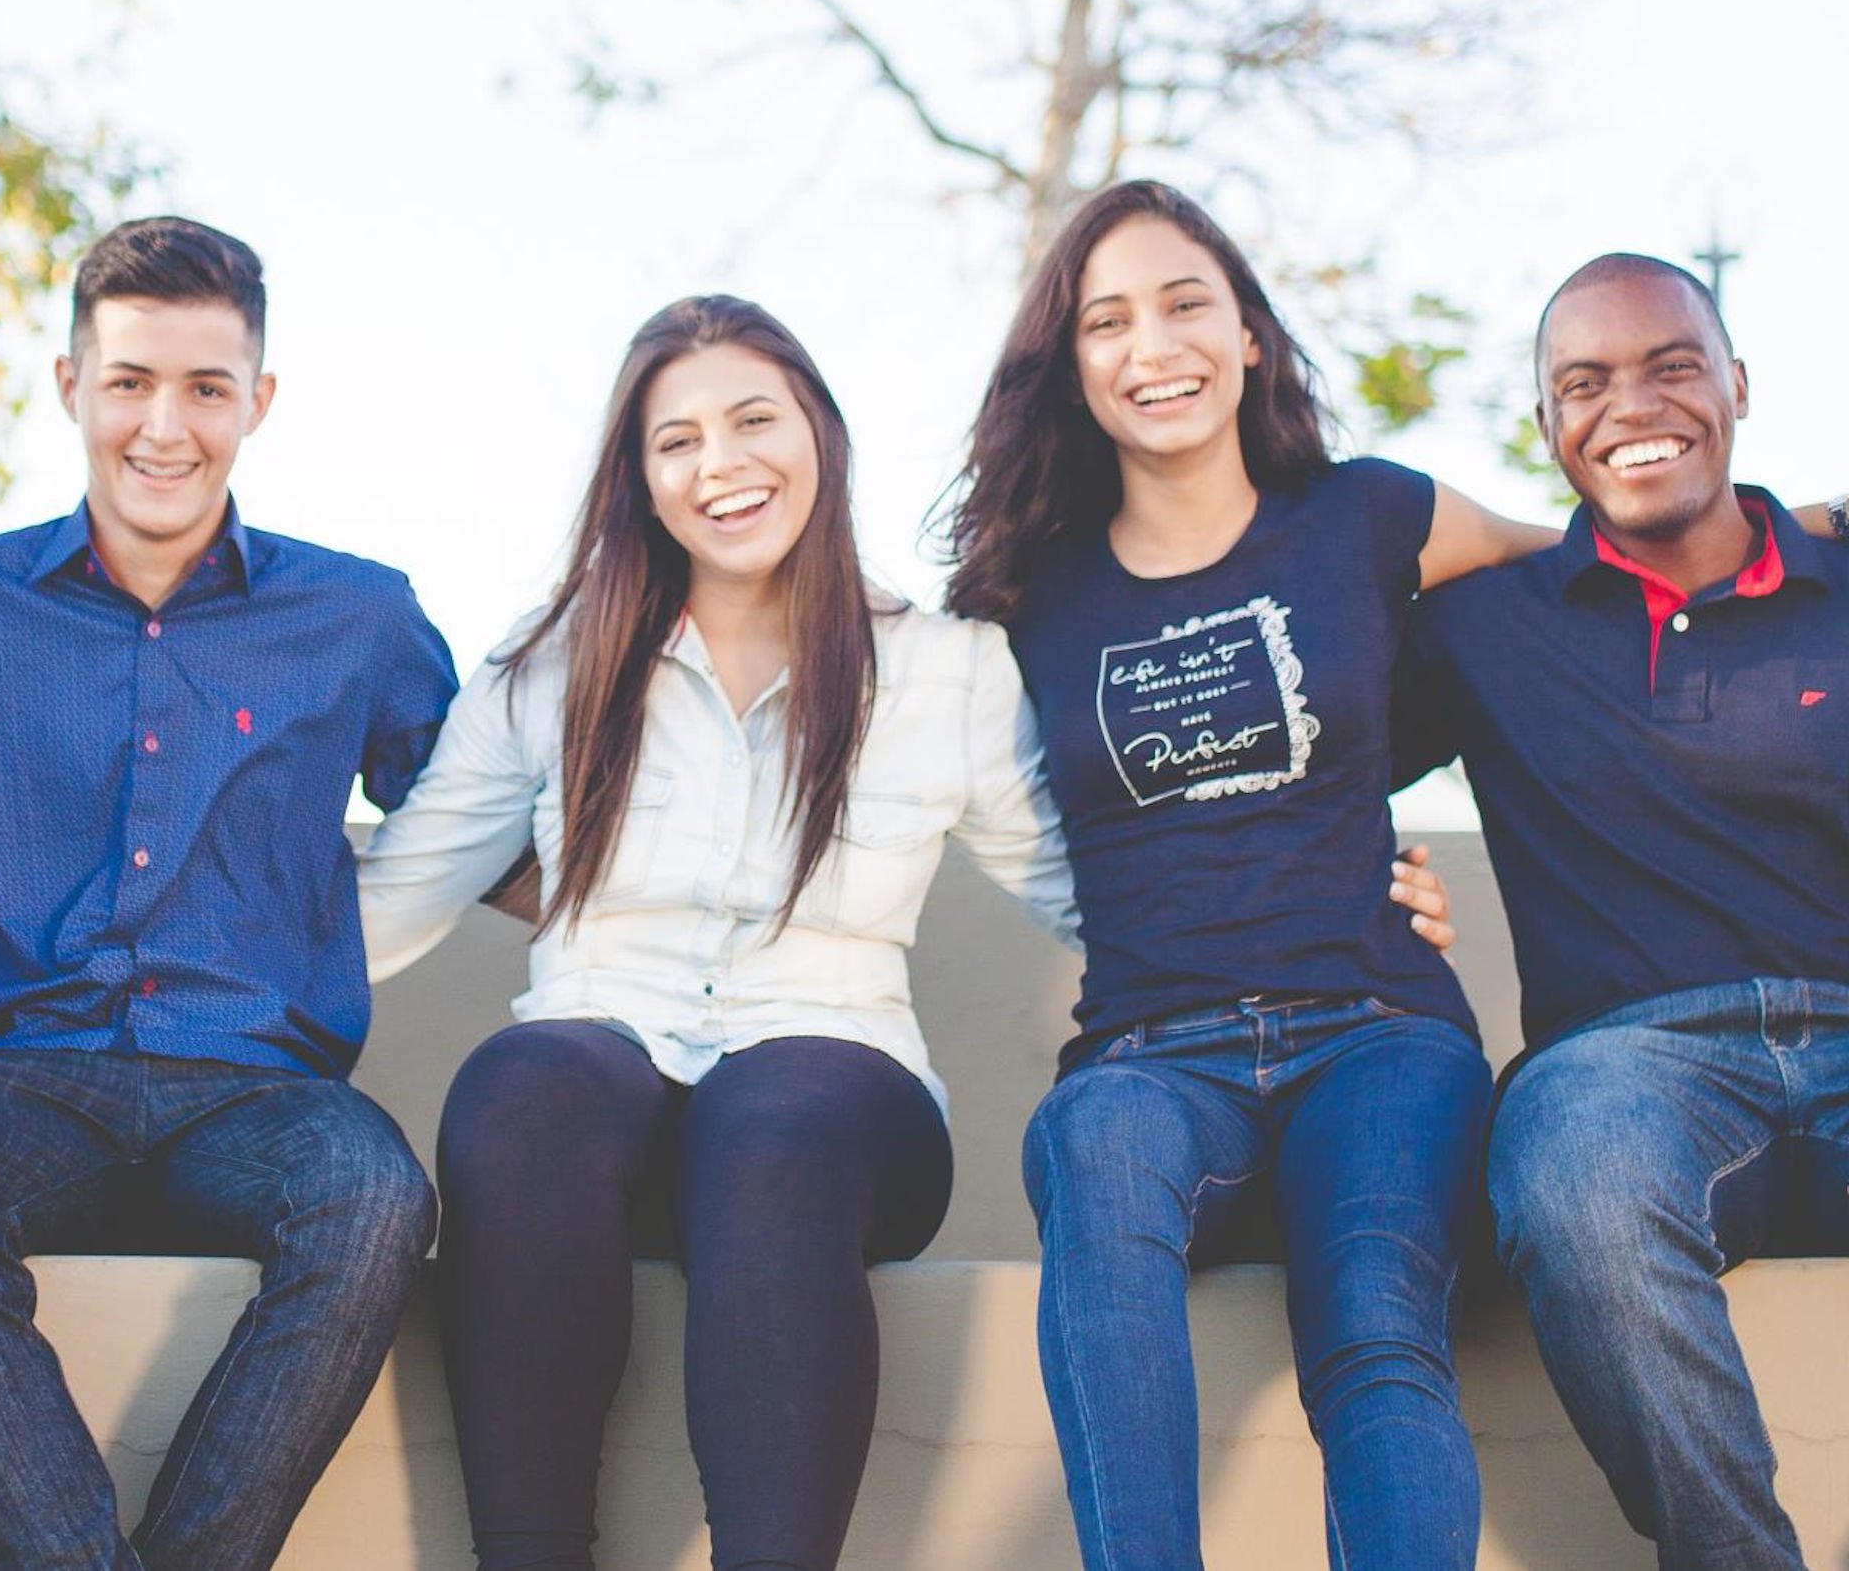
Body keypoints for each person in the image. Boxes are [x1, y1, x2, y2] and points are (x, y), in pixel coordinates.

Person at [357, 293, 1458, 1571]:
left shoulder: (943, 671)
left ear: (819, 434)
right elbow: (398, 888)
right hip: (598, 1083)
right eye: (677, 440)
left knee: (775, 1112)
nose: (722, 464)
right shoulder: (546, 666)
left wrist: (1337, 891)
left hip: (835, 1096)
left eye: (755, 419)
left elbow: (1105, 889)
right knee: (523, 1081)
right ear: (638, 477)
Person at [938, 179, 1550, 1571]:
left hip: (1379, 1031)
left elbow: (1601, 568)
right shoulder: (1025, 592)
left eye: (1185, 303)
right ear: (1073, 369)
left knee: (1380, 1325)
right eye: (1109, 321)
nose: (1153, 344)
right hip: (1153, 1054)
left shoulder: (1368, 515)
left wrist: (1808, 523)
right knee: (1092, 1155)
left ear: (1251, 336)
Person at [0, 216, 460, 1571]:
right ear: (71, 386)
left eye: (205, 387)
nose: (163, 425)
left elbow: (489, 820)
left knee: (372, 1199)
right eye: (128, 380)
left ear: (260, 400)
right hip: (22, 1087)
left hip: (259, 1091)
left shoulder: (360, 615)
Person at [1393, 254, 1849, 1571]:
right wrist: (1373, 876)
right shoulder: (1483, 625)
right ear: (1547, 428)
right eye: (1582, 383)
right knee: (1578, 1188)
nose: (1629, 403)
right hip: (1634, 1066)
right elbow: (1291, 768)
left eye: (1671, 364)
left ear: (1739, 385)